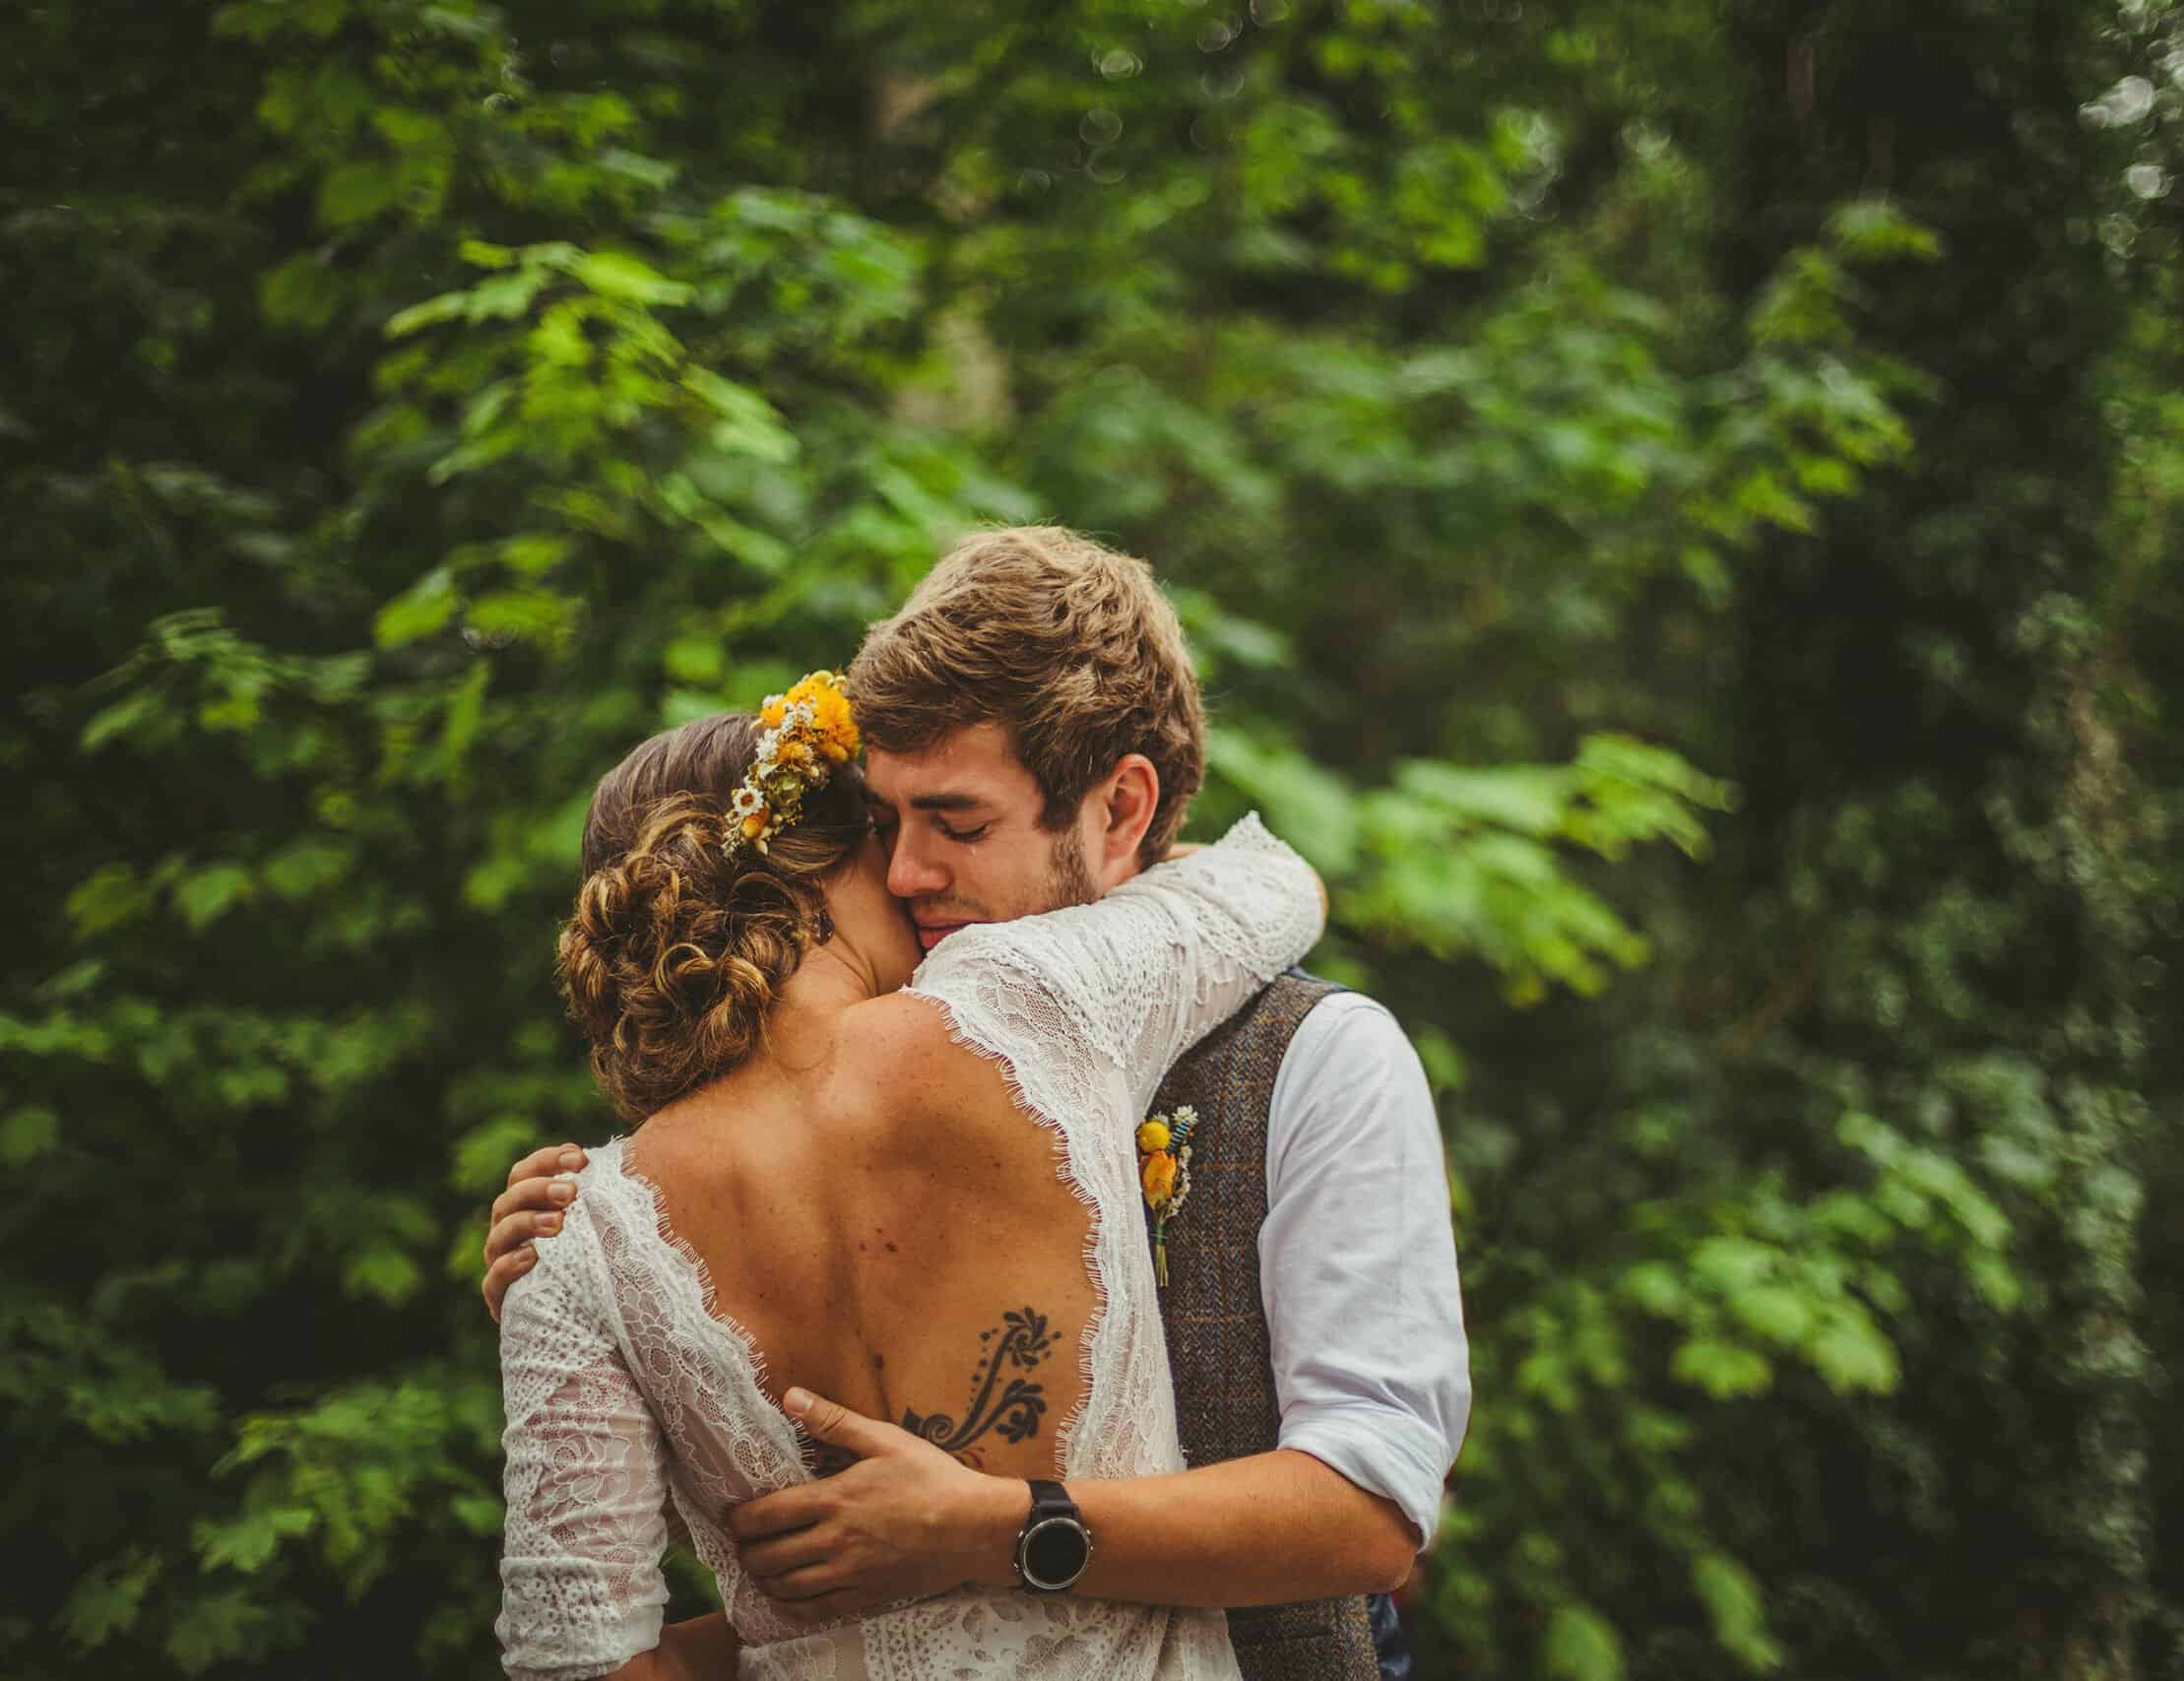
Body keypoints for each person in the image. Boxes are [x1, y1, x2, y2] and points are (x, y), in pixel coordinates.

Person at [485, 529, 1470, 1680]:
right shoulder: (935, 1032)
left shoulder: (1319, 1058)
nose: (905, 873)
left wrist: (984, 1529)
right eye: (883, 823)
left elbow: (1372, 1517)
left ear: (1121, 810)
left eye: (956, 826)